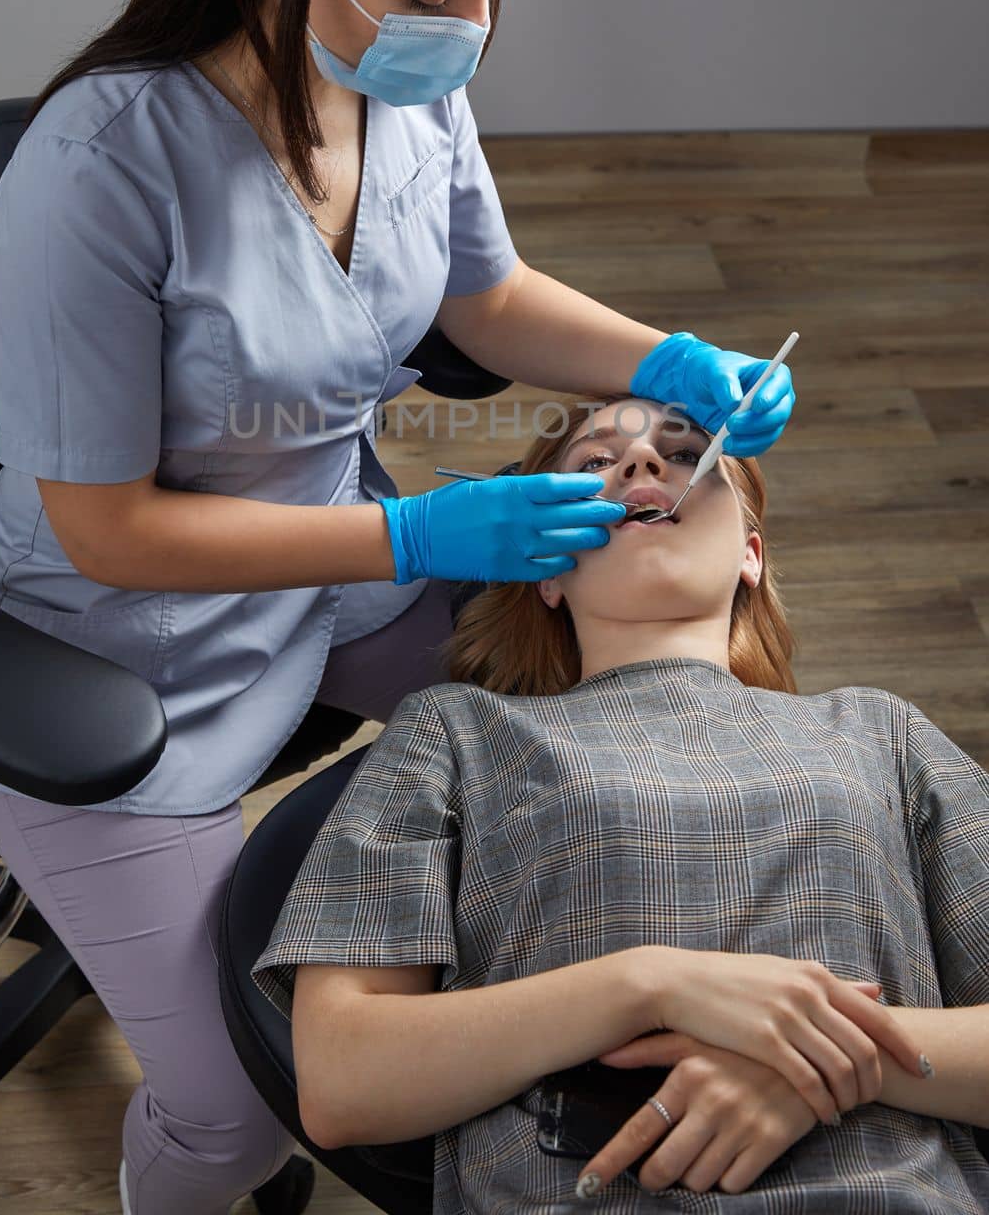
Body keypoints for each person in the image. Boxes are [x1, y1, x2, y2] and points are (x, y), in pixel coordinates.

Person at [0, 0, 794, 1215]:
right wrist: (415, 541)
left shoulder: (400, 83)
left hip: (326, 577)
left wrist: (670, 358)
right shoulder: (101, 171)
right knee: (237, 1111)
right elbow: (108, 530)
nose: (467, 29)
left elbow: (482, 293)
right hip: (116, 652)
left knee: (618, 742)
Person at [251, 391, 989, 1215]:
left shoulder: (878, 733)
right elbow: (344, 1080)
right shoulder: (456, 732)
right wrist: (649, 986)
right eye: (595, 462)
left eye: (683, 454)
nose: (641, 463)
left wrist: (819, 1067)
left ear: (750, 552)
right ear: (548, 574)